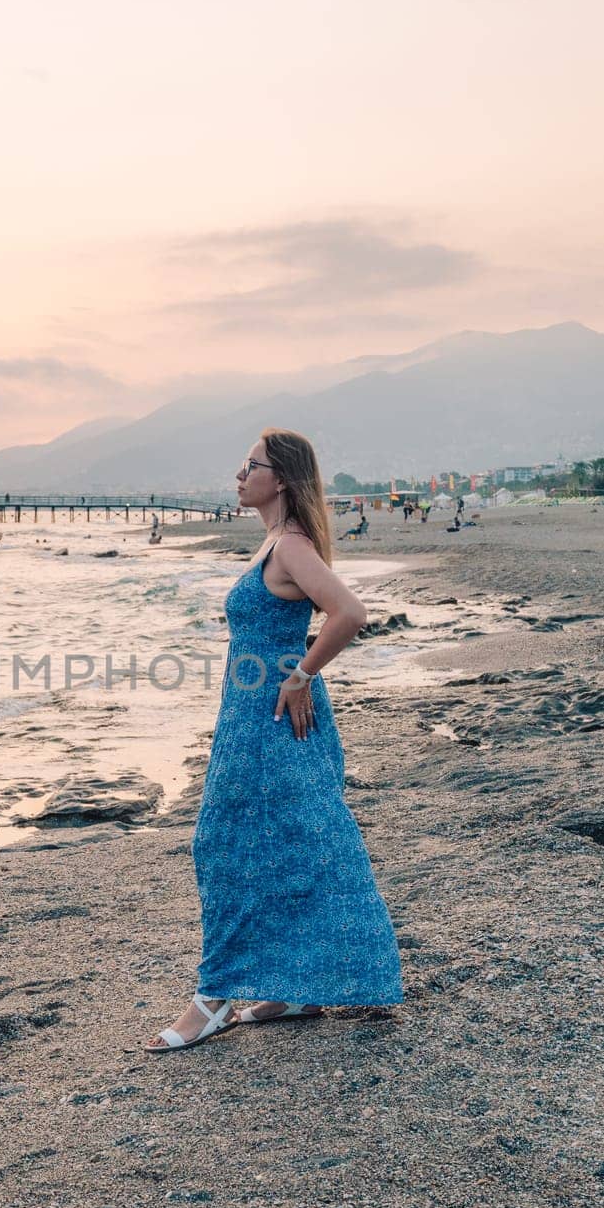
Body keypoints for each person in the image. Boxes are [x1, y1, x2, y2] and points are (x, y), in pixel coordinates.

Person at [145, 428, 403, 1051]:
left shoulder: (291, 546)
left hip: (274, 723)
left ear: (280, 478)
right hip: (251, 719)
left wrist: (301, 675)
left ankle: (213, 999)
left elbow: (350, 613)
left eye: (250, 466)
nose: (238, 475)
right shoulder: (275, 543)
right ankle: (297, 988)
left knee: (227, 847)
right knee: (294, 845)